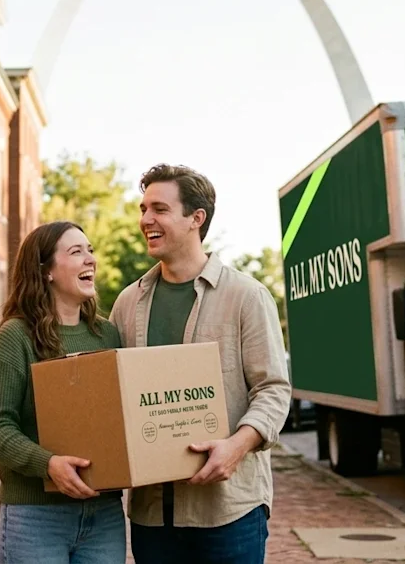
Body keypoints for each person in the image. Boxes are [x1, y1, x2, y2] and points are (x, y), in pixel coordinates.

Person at [109, 164, 291, 563]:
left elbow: (274, 390)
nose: (145, 220)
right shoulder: (127, 303)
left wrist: (235, 448)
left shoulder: (247, 296)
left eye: (159, 209)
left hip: (229, 511)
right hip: (153, 515)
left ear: (196, 218)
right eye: (143, 209)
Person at [0, 220, 126, 563]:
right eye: (76, 252)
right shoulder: (15, 337)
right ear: (45, 271)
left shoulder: (107, 335)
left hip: (103, 514)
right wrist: (49, 465)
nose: (90, 259)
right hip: (35, 518)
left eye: (90, 250)